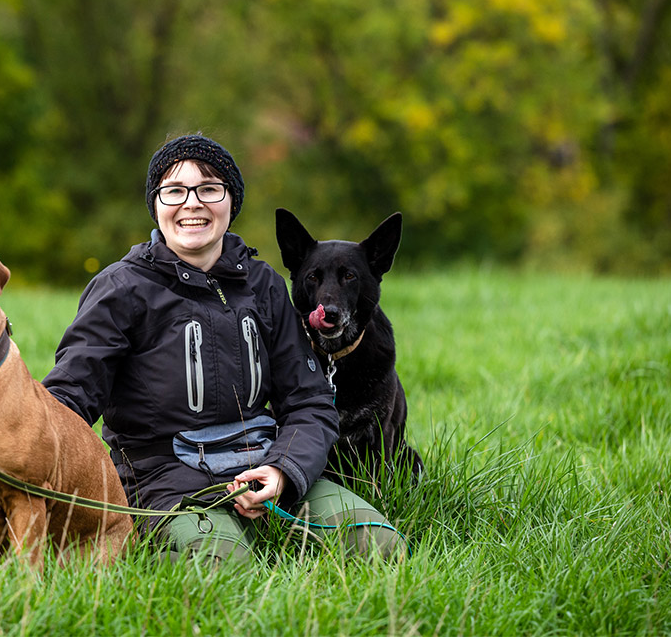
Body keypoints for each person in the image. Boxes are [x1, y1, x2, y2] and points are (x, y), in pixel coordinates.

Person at [43, 134, 405, 563]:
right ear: (155, 204)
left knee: (382, 548)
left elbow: (309, 402)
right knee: (224, 570)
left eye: (209, 189)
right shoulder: (120, 289)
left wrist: (283, 471)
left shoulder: (264, 285)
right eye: (174, 191)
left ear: (231, 203)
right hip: (166, 480)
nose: (192, 203)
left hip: (264, 468)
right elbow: (66, 401)